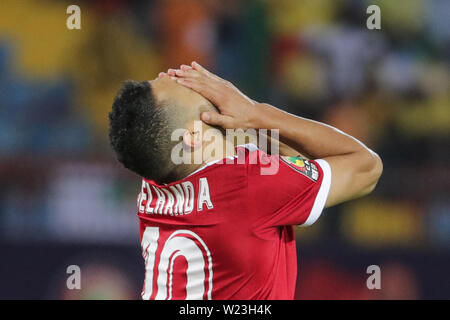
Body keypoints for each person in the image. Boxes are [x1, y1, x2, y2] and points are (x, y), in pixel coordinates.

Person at [108, 61, 382, 300]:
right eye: (178, 86)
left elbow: (281, 154)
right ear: (192, 135)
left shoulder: (155, 176)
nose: (174, 74)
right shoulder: (250, 182)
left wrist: (248, 124)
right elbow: (366, 167)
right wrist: (254, 111)